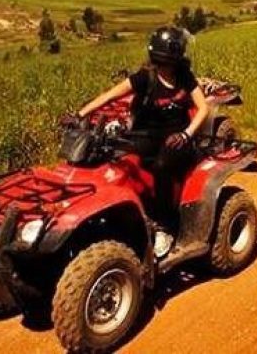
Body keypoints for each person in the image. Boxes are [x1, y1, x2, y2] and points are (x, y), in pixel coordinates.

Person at [77, 26, 209, 257]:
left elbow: (203, 108)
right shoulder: (145, 77)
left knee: (162, 167)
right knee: (115, 160)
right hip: (146, 136)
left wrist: (187, 134)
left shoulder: (185, 78)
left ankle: (165, 225)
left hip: (177, 138)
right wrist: (80, 114)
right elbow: (110, 95)